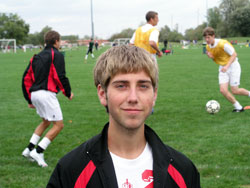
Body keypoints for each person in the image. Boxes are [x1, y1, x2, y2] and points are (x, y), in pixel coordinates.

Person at [47, 45, 200, 187]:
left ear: (154, 95)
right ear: (102, 94)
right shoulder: (71, 171)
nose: (133, 98)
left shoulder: (183, 170)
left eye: (143, 86)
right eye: (121, 86)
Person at [22, 30, 74, 167]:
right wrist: (68, 93)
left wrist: (29, 99)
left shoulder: (36, 56)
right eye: (60, 41)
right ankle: (38, 151)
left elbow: (26, 78)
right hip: (46, 94)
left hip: (35, 94)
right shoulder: (56, 55)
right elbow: (60, 76)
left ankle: (28, 149)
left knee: (45, 121)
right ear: (56, 41)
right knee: (58, 125)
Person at [203, 27, 250, 112]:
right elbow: (217, 58)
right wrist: (212, 57)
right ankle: (238, 107)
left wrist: (227, 66)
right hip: (223, 67)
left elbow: (234, 54)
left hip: (233, 65)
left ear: (213, 36)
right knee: (223, 90)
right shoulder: (208, 47)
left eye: (208, 37)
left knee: (235, 90)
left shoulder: (222, 44)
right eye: (205, 37)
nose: (207, 39)